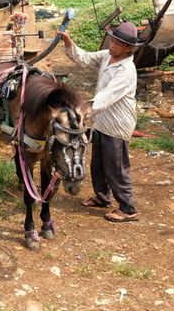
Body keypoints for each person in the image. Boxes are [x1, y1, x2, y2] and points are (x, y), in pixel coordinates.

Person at [58, 21, 141, 223]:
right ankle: (102, 197)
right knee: (98, 163)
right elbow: (85, 59)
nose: (112, 46)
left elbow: (107, 96)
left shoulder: (126, 71)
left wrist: (82, 111)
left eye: (118, 44)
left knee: (116, 166)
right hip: (102, 122)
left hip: (117, 124)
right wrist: (69, 43)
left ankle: (128, 208)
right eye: (112, 41)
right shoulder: (107, 57)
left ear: (129, 48)